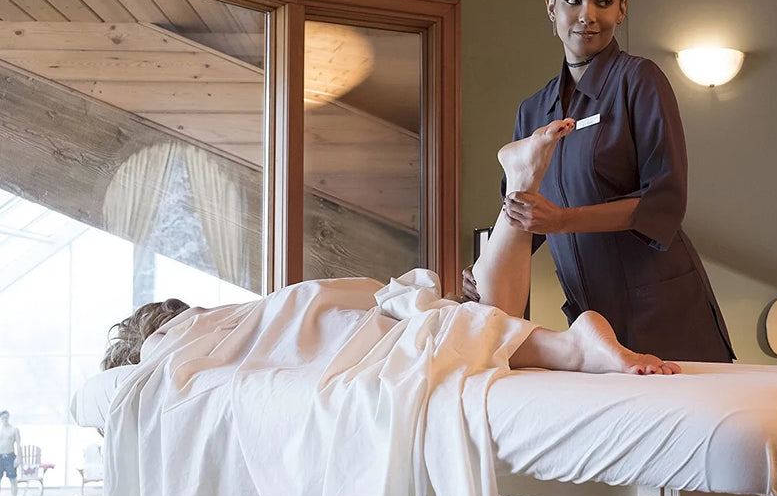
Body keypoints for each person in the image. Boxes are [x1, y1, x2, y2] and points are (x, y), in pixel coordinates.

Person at [100, 133, 680, 378]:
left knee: (444, 337)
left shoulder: (166, 352)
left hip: (317, 323)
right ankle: (518, 192)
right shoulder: (220, 324)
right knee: (472, 319)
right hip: (328, 305)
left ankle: (574, 349)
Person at [465, 0, 734, 363]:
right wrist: (485, 267)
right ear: (551, 8)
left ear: (622, 10)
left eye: (603, 1)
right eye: (573, 1)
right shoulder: (533, 111)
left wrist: (564, 219)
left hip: (664, 312)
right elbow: (523, 215)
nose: (587, 15)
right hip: (591, 322)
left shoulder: (640, 81)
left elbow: (664, 201)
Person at [0, 410, 22, 496]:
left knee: (13, 480)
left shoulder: (14, 430)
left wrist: (19, 458)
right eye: (3, 418)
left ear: (8, 418)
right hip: (0, 457)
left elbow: (18, 445)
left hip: (10, 457)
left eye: (6, 418)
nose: (4, 420)